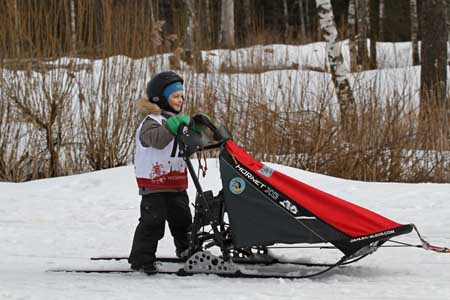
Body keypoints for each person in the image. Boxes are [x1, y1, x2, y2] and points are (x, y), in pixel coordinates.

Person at [129, 71, 196, 275]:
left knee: (183, 221)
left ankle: (188, 251)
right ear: (161, 98)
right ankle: (141, 258)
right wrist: (173, 127)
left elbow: (188, 147)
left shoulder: (175, 120)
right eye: (175, 96)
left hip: (175, 182)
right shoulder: (152, 121)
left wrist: (196, 131)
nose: (180, 100)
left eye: (182, 96)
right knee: (153, 223)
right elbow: (156, 140)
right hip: (154, 183)